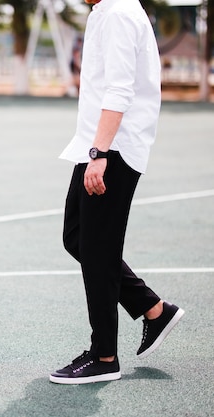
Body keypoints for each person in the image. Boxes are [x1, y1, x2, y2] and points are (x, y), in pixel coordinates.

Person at [50, 0, 184, 385]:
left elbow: (121, 89)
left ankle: (104, 355)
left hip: (114, 150)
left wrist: (100, 153)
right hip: (97, 145)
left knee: (97, 248)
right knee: (77, 237)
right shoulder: (105, 12)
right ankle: (153, 309)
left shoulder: (121, 13)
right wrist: (93, 148)